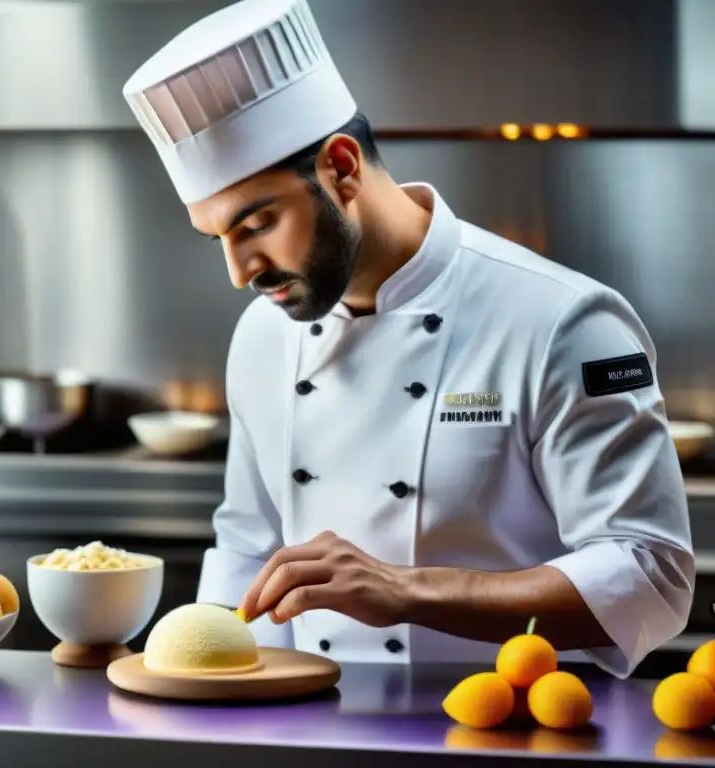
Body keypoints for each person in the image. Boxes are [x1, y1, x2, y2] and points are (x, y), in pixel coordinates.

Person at [122, 0, 694, 678]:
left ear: (341, 167)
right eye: (218, 238)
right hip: (310, 731)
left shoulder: (565, 322)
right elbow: (249, 545)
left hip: (514, 730)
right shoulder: (262, 337)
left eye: (257, 224)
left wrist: (405, 589)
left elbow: (650, 572)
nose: (239, 271)